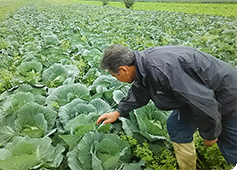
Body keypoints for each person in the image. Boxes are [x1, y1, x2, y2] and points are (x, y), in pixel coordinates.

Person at [96, 44, 237, 170]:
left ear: (123, 69)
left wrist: (210, 134)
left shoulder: (163, 70)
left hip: (227, 96)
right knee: (177, 126)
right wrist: (118, 112)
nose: (116, 79)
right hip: (197, 97)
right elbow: (140, 91)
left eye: (115, 76)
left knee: (230, 145)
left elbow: (204, 104)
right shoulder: (142, 66)